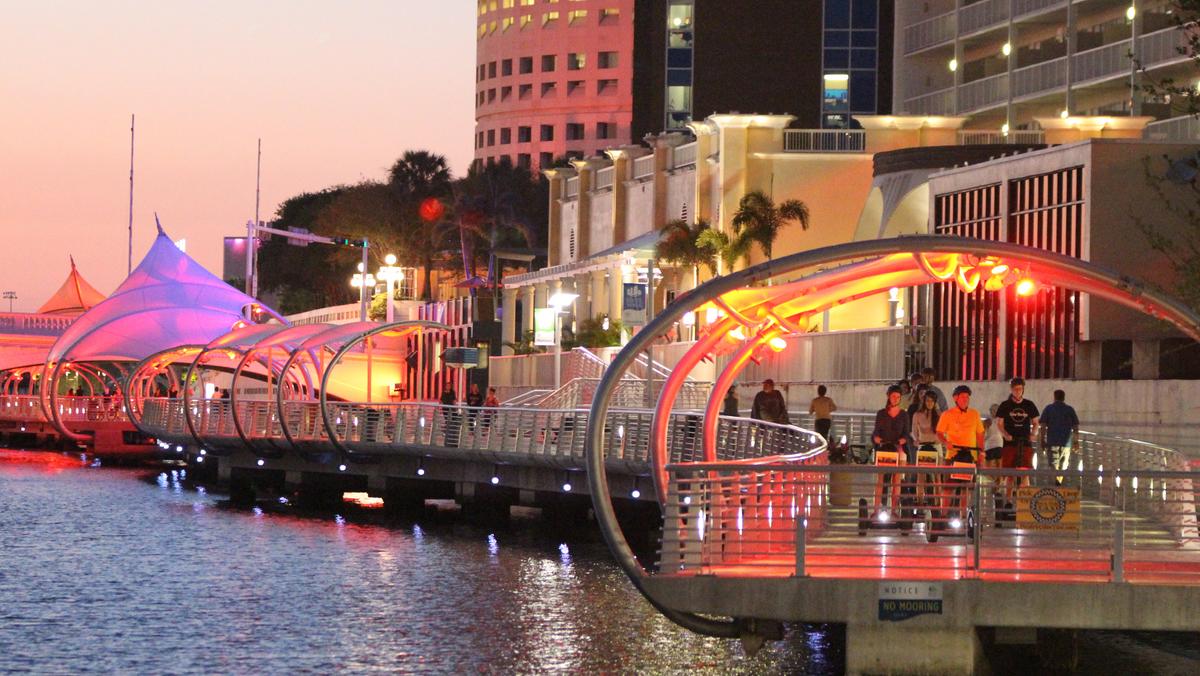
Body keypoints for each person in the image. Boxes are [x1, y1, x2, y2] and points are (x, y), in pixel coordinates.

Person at [995, 377, 1040, 508]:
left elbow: (1036, 422)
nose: (1018, 391)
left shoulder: (1029, 405)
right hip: (1010, 443)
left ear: (1023, 389)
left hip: (1025, 442)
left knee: (1025, 472)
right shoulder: (1005, 405)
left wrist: (1033, 434)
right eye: (1015, 389)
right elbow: (999, 423)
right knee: (1009, 473)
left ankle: (1025, 501)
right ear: (1011, 390)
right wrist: (1005, 435)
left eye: (1020, 389)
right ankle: (1008, 501)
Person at [872, 384, 911, 517]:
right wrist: (876, 438)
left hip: (898, 449)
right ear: (889, 397)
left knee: (897, 480)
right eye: (893, 396)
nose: (895, 399)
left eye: (898, 397)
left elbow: (906, 433)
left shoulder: (904, 415)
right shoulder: (881, 414)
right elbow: (876, 432)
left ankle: (894, 510)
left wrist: (903, 440)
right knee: (880, 480)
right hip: (884, 448)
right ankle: (876, 510)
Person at [1039, 389, 1079, 485]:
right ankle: (1059, 484)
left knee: (1053, 465)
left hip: (1052, 442)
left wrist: (1042, 440)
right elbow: (1075, 427)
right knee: (1063, 466)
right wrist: (1076, 442)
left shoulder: (1049, 409)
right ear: (1064, 398)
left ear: (1054, 397)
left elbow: (1043, 426)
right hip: (1066, 443)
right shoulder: (1070, 410)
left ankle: (1055, 485)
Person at [982, 403, 1004, 469]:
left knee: (997, 467)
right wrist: (985, 427)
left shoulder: (1002, 421)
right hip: (990, 446)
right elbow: (982, 435)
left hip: (996, 446)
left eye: (996, 410)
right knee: (990, 468)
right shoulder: (987, 421)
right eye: (993, 410)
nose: (994, 412)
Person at [440, 381, 460, 447]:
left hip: (451, 409)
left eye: (449, 386)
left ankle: (449, 431)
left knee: (452, 420)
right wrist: (439, 407)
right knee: (447, 420)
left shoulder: (452, 392)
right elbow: (441, 400)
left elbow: (454, 400)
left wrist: (455, 407)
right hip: (445, 408)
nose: (447, 387)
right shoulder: (443, 392)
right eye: (447, 385)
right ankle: (446, 431)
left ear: (450, 386)